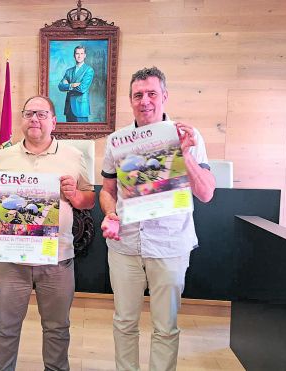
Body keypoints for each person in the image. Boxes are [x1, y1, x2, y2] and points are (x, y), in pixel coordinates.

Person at [99, 67, 216, 371]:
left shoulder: (187, 135)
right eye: (138, 95)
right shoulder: (117, 140)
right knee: (124, 322)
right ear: (130, 100)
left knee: (166, 326)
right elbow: (107, 190)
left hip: (170, 244)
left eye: (152, 93)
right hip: (125, 245)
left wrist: (185, 154)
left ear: (164, 96)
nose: (145, 101)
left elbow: (205, 193)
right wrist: (110, 212)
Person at [0, 95, 95, 371]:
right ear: (22, 119)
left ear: (54, 121)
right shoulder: (3, 156)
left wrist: (76, 196)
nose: (35, 119)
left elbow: (89, 198)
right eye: (29, 113)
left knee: (57, 328)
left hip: (57, 259)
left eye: (42, 114)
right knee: (5, 328)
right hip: (12, 260)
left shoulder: (74, 156)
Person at [57, 45, 95, 122]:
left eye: (81, 53)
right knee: (68, 132)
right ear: (74, 55)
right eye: (77, 53)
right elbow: (60, 86)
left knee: (82, 133)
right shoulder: (69, 71)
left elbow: (82, 88)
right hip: (69, 108)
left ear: (85, 55)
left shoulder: (88, 70)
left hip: (80, 108)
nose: (79, 56)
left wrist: (67, 86)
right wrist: (71, 85)